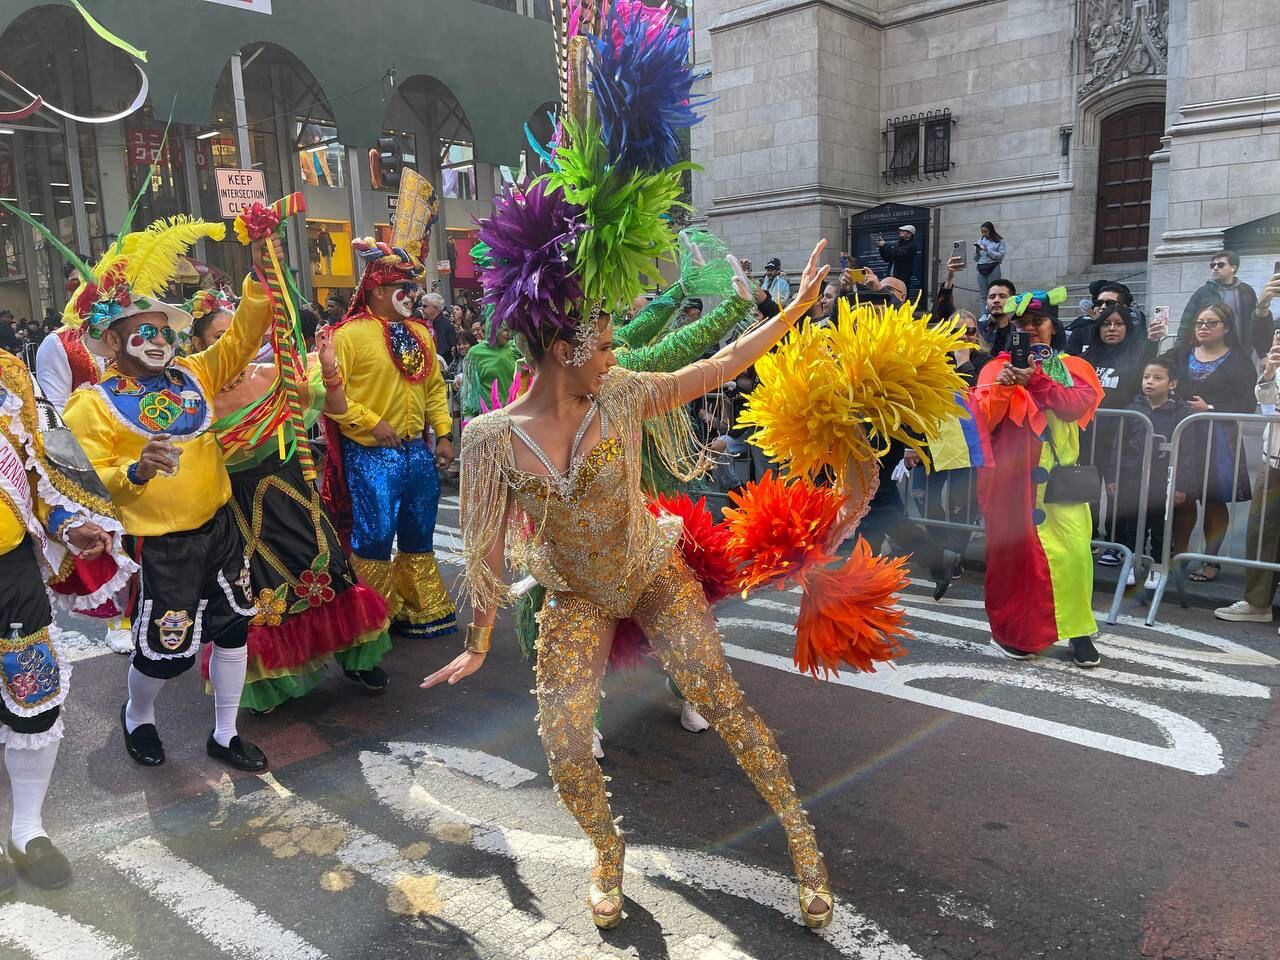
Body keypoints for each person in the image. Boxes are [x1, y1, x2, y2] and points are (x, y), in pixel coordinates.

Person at [426, 237, 834, 932]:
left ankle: (804, 846)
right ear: (563, 352)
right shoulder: (488, 439)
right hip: (576, 593)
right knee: (562, 741)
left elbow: (718, 366)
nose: (616, 357)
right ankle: (607, 853)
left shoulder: (618, 395)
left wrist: (791, 311)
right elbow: (488, 550)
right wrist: (478, 639)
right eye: (607, 345)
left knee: (724, 703)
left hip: (651, 571)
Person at [61, 219, 274, 771]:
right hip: (163, 546)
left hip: (221, 529)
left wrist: (259, 259)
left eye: (163, 330)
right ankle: (139, 716)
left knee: (233, 628)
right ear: (111, 341)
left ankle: (226, 733)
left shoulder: (195, 374)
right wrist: (136, 469)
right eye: (143, 331)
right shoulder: (92, 405)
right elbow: (89, 481)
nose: (158, 340)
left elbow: (247, 333)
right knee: (163, 649)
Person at [187, 291, 393, 713]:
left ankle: (356, 658)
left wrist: (330, 366)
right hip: (239, 508)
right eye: (216, 339)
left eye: (233, 336)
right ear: (198, 347)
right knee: (264, 591)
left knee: (329, 571)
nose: (228, 346)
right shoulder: (193, 403)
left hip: (295, 493)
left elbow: (333, 405)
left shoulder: (272, 376)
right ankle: (271, 682)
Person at [0, 347, 134, 890]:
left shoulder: (8, 372)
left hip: (8, 569)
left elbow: (35, 473)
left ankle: (27, 827)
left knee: (33, 687)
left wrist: (69, 524)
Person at [321, 175, 457, 648]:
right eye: (402, 286)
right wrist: (369, 423)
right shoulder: (348, 334)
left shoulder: (420, 333)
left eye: (413, 288)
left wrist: (442, 433)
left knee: (420, 530)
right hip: (370, 455)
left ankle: (420, 609)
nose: (411, 295)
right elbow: (328, 393)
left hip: (416, 453)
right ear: (377, 290)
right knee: (375, 537)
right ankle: (371, 618)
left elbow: (434, 385)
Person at [973, 286, 1105, 667]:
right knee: (1015, 560)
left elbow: (1077, 404)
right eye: (1022, 323)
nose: (1030, 328)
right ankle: (1017, 631)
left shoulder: (1074, 367)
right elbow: (984, 420)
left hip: (1060, 480)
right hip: (1011, 483)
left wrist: (1036, 381)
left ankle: (1079, 631)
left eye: (1038, 321)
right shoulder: (994, 368)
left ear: (1053, 325)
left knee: (1075, 554)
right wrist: (1005, 387)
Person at [1167, 303, 1258, 582]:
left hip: (1219, 438)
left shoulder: (1239, 360)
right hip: (1184, 436)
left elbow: (1248, 402)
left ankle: (1211, 561)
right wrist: (1153, 339)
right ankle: (1178, 556)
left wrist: (1210, 408)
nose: (1203, 327)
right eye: (1199, 322)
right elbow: (1154, 372)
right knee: (1183, 499)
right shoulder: (1181, 353)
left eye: (1211, 323)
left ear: (1227, 328)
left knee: (1215, 499)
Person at [1080, 300, 1166, 569]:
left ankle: (1116, 544)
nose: (1112, 329)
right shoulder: (1088, 357)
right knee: (1088, 489)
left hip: (1120, 437)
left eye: (1118, 324)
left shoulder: (1135, 354)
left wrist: (1153, 342)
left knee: (1116, 490)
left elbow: (1147, 368)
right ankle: (1090, 536)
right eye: (1106, 324)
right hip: (1088, 435)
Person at [1102, 354, 1198, 589]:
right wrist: (1113, 477)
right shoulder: (1133, 409)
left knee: (1160, 527)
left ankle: (1157, 567)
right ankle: (1134, 565)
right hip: (1132, 476)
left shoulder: (1181, 413)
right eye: (1146, 377)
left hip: (1163, 478)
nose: (1149, 382)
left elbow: (1187, 451)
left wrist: (1180, 485)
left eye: (1157, 378)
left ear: (1172, 383)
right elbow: (1118, 445)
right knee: (1133, 525)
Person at [1216, 333, 1280, 624]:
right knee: (1261, 530)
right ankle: (1258, 603)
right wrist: (1269, 372)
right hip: (1274, 458)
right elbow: (1266, 403)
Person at [1179, 251, 1271, 360]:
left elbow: (1254, 325)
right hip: (1212, 353)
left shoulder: (1246, 291)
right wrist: (1179, 353)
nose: (1215, 268)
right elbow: (1186, 324)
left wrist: (1262, 354)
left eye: (1220, 265)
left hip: (1243, 352)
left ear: (1233, 268)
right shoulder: (1203, 293)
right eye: (1213, 265)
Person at [460, 324, 522, 421]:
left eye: (510, 330)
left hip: (514, 415)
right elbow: (469, 390)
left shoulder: (514, 348)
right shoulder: (475, 353)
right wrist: (468, 418)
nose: (509, 334)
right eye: (505, 330)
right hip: (489, 418)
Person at [978, 278, 1017, 355]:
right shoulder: (977, 329)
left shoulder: (1019, 331)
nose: (996, 300)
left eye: (1002, 296)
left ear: (1012, 301)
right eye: (992, 297)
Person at [419, 291, 456, 366]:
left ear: (435, 307)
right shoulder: (424, 324)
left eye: (425, 306)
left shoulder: (447, 325)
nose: (421, 308)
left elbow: (448, 350)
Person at [974, 221, 1006, 294]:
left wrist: (988, 251)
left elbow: (1001, 256)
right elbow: (976, 259)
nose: (984, 234)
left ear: (991, 231)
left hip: (993, 267)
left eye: (985, 231)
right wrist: (977, 252)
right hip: (981, 267)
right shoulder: (980, 241)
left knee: (993, 293)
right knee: (983, 295)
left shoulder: (999, 241)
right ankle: (984, 306)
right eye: (982, 232)